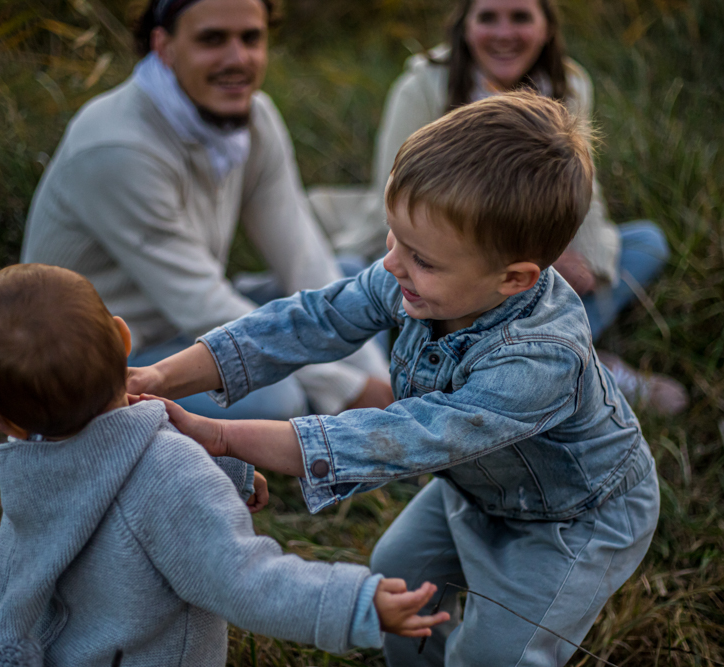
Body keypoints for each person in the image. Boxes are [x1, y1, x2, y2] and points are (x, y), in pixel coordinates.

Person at [128, 91, 661, 666]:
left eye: (422, 259)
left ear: (514, 278)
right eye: (393, 237)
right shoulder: (417, 276)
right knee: (399, 587)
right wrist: (161, 374)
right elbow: (312, 320)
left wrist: (225, 437)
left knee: (496, 656)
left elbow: (402, 438)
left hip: (572, 518)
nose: (391, 265)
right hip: (477, 491)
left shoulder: (537, 361)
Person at [0, 263, 449, 666]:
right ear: (123, 338)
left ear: (7, 424)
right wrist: (355, 604)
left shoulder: (30, 477)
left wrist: (224, 477)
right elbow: (244, 580)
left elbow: (19, 602)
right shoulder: (167, 473)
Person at [308, 0, 687, 414]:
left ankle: (558, 354)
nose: (504, 34)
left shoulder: (570, 85)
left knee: (646, 243)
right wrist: (494, 264)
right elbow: (394, 194)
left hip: (524, 271)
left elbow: (584, 197)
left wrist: (584, 264)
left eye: (521, 17)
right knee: (351, 276)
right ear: (466, 26)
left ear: (545, 26)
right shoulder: (423, 85)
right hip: (442, 267)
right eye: (488, 17)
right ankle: (546, 366)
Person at [21, 0, 392, 422]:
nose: (237, 59)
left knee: (353, 283)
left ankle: (331, 419)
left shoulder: (257, 118)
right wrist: (348, 389)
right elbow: (203, 305)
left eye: (251, 38)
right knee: (275, 400)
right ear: (164, 46)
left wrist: (380, 388)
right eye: (212, 39)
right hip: (105, 355)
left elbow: (302, 258)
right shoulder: (118, 148)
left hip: (186, 326)